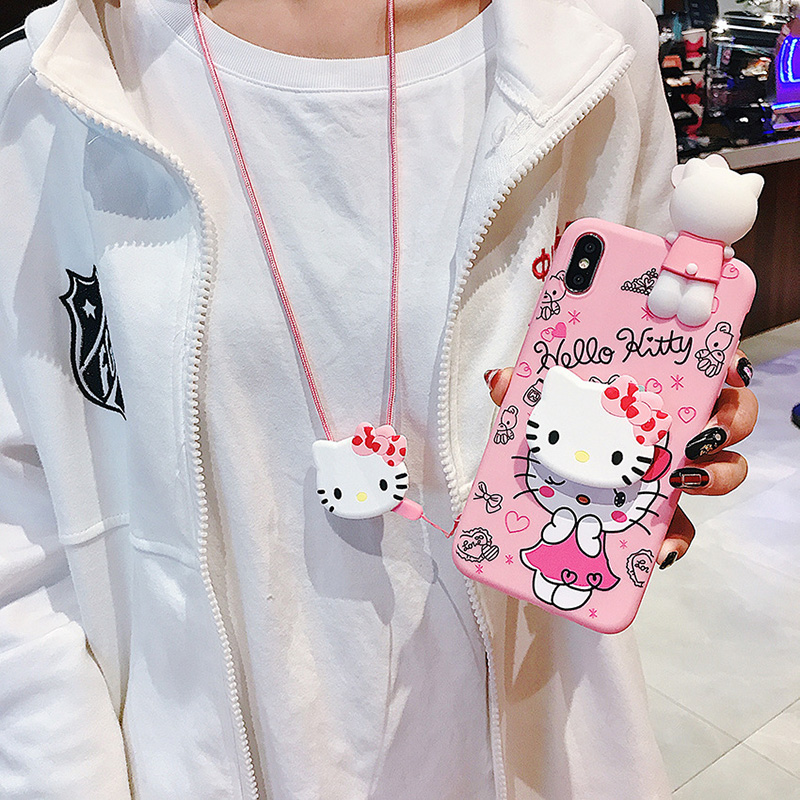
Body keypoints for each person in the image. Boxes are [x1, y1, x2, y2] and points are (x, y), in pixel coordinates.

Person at [0, 0, 757, 798]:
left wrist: (664, 440)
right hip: (204, 755)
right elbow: (21, 520)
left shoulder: (591, 41)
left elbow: (641, 363)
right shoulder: (55, 81)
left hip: (527, 737)